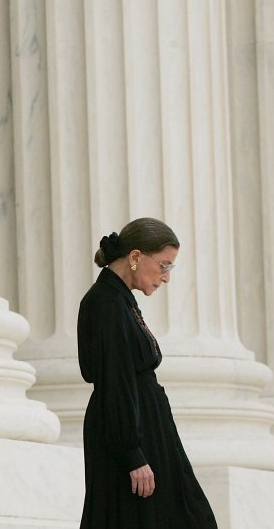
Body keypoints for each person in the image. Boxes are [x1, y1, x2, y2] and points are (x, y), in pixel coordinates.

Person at [77, 218, 216, 527]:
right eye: (164, 266)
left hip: (145, 428)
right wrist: (132, 454)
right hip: (132, 435)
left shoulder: (121, 301)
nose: (165, 278)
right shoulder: (107, 304)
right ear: (136, 257)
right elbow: (115, 382)